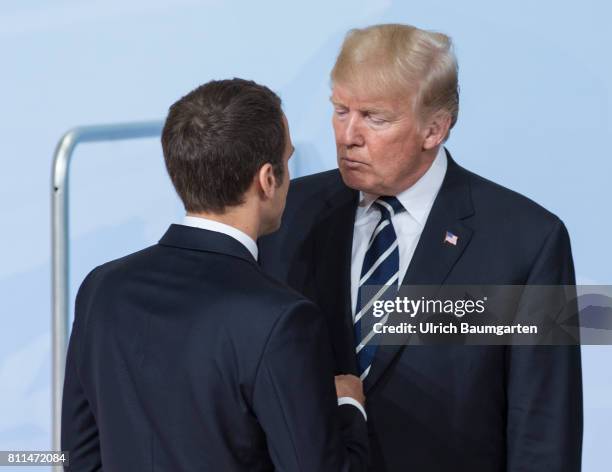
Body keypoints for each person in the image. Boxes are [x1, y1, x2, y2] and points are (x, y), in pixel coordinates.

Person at [259, 24, 582, 471]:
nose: (348, 135)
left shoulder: (528, 242)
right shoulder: (286, 213)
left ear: (435, 128)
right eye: (340, 110)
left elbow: (545, 428)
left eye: (375, 117)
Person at [61, 78, 370, 471]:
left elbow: (79, 457)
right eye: (288, 161)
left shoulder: (100, 289)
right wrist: (348, 407)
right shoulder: (282, 320)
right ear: (267, 180)